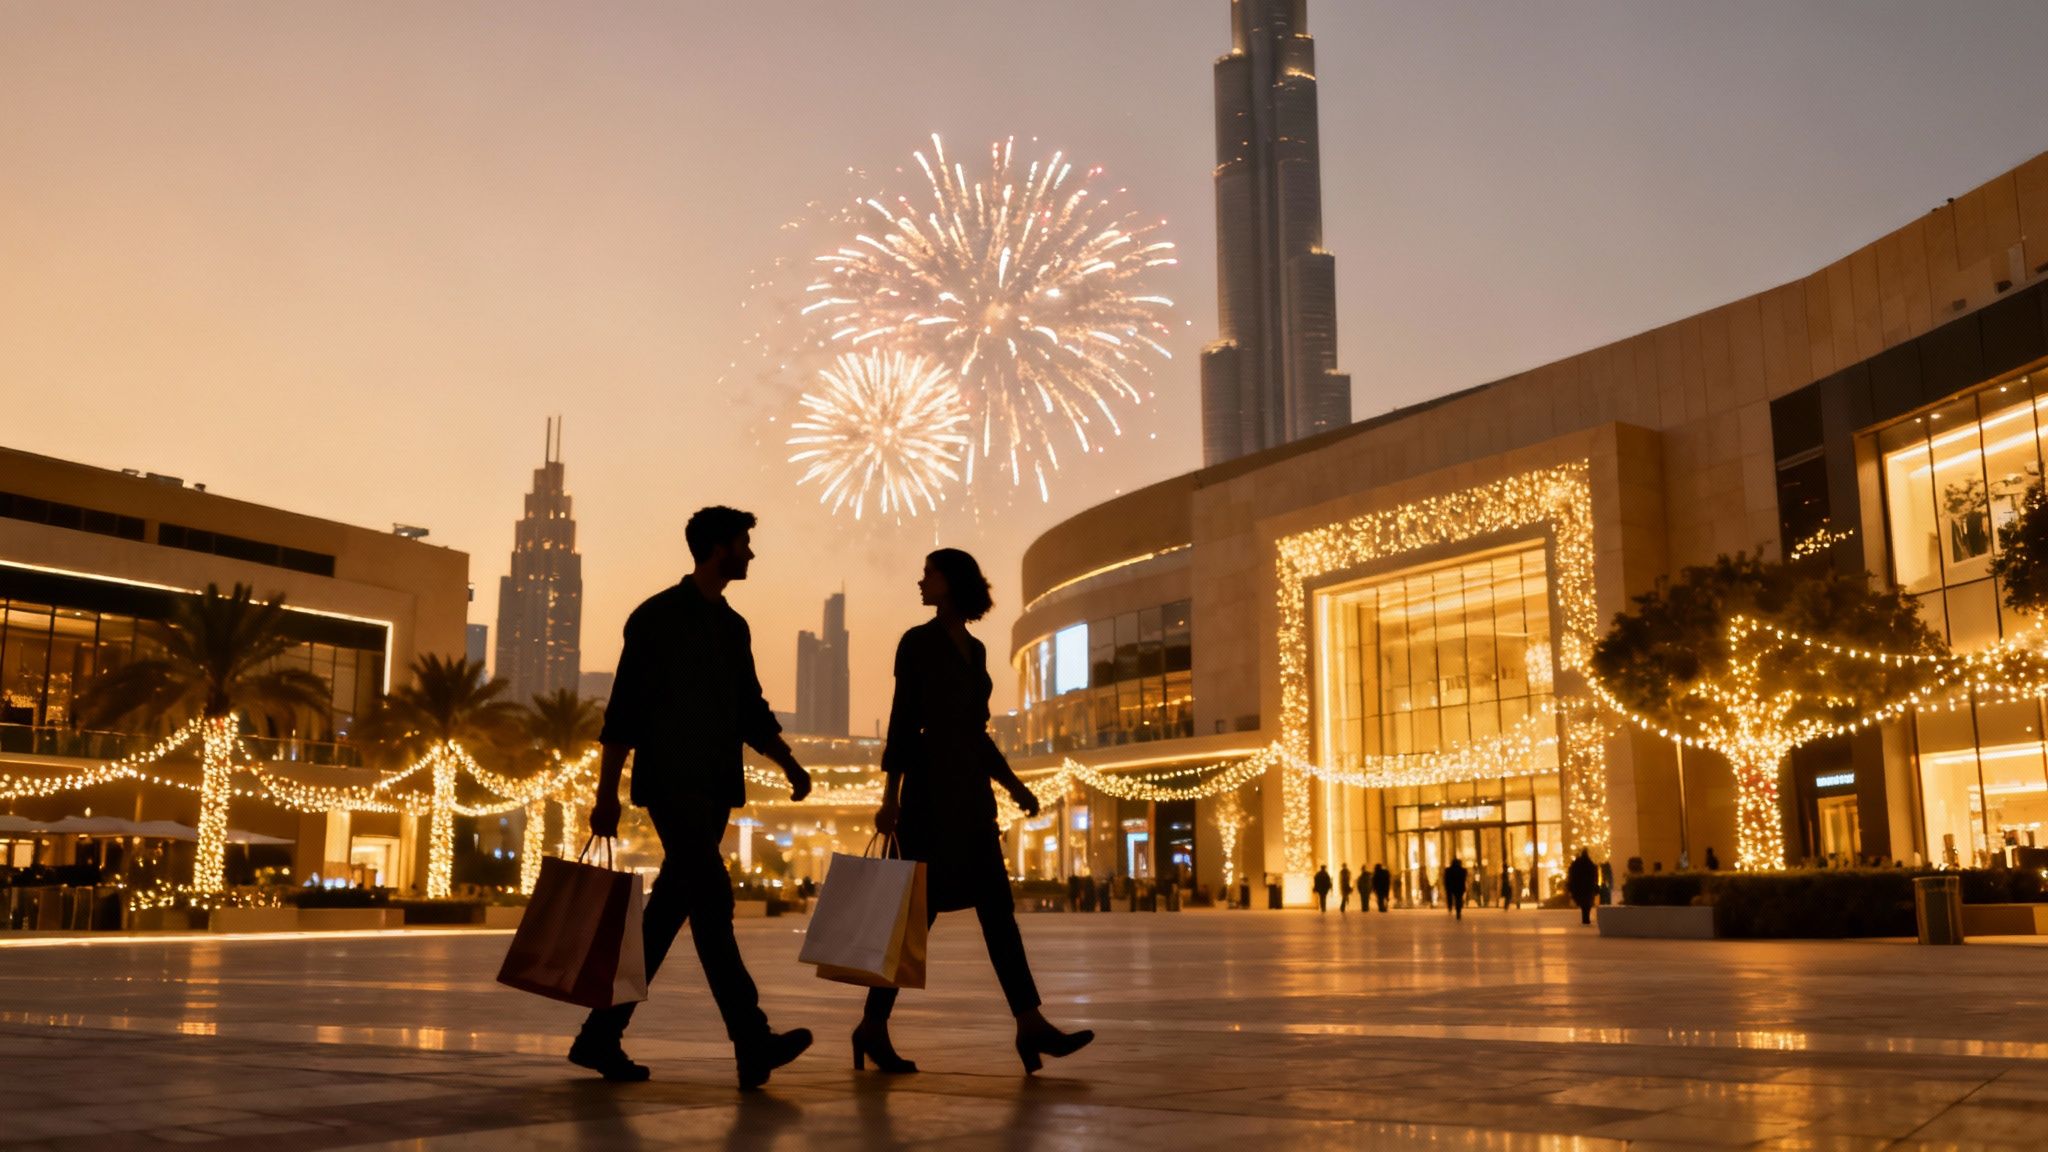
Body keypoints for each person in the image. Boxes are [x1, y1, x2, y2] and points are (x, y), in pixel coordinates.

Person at [579, 506, 814, 1088]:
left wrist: (787, 761)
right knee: (714, 905)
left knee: (673, 916)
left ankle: (600, 1036)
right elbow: (623, 714)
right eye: (744, 544)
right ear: (717, 548)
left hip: (713, 792)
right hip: (670, 786)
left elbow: (750, 709)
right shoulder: (656, 618)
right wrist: (604, 795)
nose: (751, 554)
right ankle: (752, 1039)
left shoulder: (733, 627)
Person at [859, 548, 1094, 1076]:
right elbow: (902, 722)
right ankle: (873, 1025)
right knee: (915, 919)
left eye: (930, 573)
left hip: (971, 801)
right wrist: (890, 796)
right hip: (929, 800)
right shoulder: (916, 643)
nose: (921, 581)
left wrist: (1013, 785)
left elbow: (975, 734)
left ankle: (1029, 1022)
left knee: (997, 912)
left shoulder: (979, 651)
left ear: (953, 583)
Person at [1567, 848, 1599, 925]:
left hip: (1579, 887)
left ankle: (1585, 918)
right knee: (1587, 904)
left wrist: (1571, 885)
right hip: (1588, 887)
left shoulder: (1576, 863)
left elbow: (1572, 875)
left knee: (1583, 903)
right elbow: (1594, 876)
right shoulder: (1590, 863)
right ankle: (1586, 918)